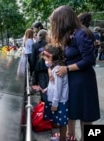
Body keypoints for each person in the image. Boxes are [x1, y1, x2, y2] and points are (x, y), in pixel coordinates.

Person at [49, 5, 100, 141]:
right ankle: (71, 137)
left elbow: (89, 60)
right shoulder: (71, 35)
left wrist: (67, 69)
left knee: (87, 115)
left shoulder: (81, 34)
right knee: (74, 112)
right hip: (75, 80)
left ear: (63, 20)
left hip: (84, 81)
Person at [41, 45, 69, 141]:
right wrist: (47, 89)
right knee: (56, 120)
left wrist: (55, 103)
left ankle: (62, 139)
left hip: (59, 101)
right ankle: (60, 137)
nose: (45, 62)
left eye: (46, 59)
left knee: (62, 123)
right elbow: (53, 84)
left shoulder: (57, 70)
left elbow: (58, 88)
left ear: (52, 57)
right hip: (54, 99)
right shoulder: (54, 68)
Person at [30, 29, 49, 101]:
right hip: (49, 68)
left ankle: (44, 103)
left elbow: (32, 59)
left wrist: (32, 69)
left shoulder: (35, 45)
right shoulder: (49, 44)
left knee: (43, 86)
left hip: (39, 69)